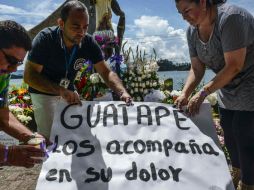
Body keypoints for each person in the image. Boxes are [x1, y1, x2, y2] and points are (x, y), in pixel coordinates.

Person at [174, 0, 254, 189]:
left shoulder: (230, 18)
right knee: (229, 132)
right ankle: (237, 176)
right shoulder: (192, 31)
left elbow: (234, 65)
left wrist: (204, 92)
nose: (184, 17)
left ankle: (249, 183)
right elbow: (196, 68)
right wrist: (185, 92)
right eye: (180, 13)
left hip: (250, 79)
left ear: (202, 2)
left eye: (187, 11)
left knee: (243, 132)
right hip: (226, 85)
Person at [24, 0, 132, 139]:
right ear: (61, 24)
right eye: (76, 27)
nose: (81, 32)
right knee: (50, 136)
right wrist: (60, 90)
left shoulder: (88, 42)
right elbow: (29, 76)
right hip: (43, 93)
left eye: (85, 27)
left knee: (76, 134)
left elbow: (106, 72)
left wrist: (122, 92)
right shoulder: (45, 39)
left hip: (68, 91)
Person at [0, 20, 45, 168]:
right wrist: (7, 154)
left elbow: (3, 114)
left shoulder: (2, 74)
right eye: (11, 60)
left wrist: (30, 136)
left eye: (18, 63)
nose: (13, 69)